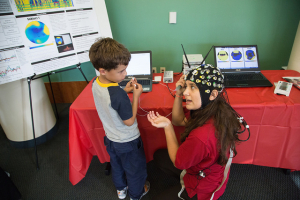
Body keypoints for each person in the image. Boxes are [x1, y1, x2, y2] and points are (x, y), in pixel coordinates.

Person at [147, 64, 248, 200]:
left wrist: (167, 126)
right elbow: (179, 121)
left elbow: (178, 162)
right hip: (209, 169)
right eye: (186, 86)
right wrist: (178, 93)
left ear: (212, 94)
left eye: (193, 87)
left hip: (203, 188)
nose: (185, 92)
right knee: (160, 156)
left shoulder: (201, 136)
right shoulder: (212, 108)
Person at [89, 37, 150, 200]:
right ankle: (136, 195)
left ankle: (121, 191)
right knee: (134, 170)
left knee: (117, 166)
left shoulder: (96, 82)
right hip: (128, 141)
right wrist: (135, 96)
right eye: (121, 71)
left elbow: (109, 98)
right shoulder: (118, 95)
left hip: (111, 139)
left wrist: (124, 89)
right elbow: (129, 121)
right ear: (103, 70)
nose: (126, 74)